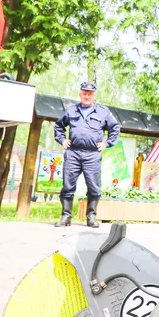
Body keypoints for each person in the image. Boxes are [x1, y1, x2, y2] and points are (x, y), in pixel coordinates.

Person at [53, 81, 120, 227]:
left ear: (94, 95)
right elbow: (59, 126)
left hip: (92, 155)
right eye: (84, 93)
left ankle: (91, 217)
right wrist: (62, 139)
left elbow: (115, 128)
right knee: (67, 186)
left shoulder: (103, 112)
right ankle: (66, 217)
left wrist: (107, 143)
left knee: (94, 187)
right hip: (73, 154)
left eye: (90, 94)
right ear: (80, 94)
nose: (87, 96)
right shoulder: (71, 111)